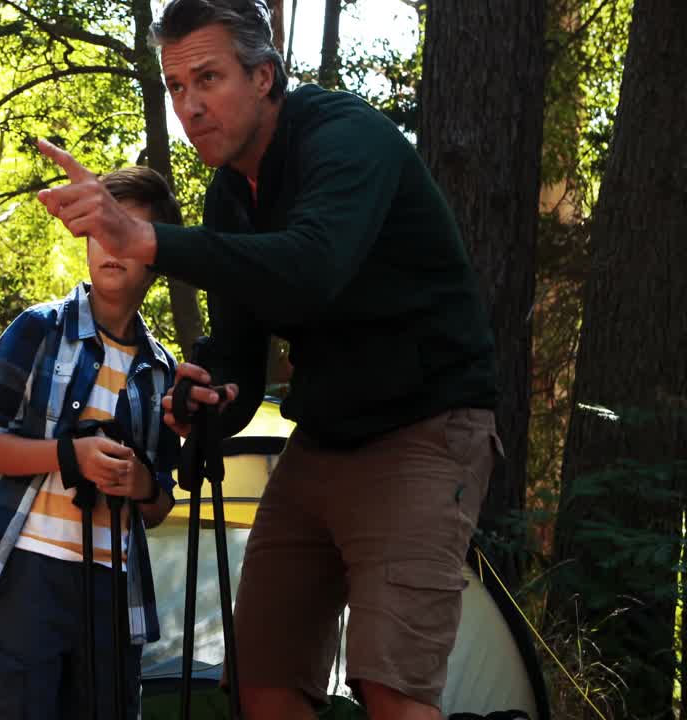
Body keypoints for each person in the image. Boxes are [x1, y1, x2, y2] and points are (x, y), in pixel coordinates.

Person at [32, 1, 502, 718]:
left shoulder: (346, 140)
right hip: (320, 443)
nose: (191, 106)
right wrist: (208, 393)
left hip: (426, 434)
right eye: (176, 86)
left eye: (209, 78)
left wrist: (147, 239)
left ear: (265, 76)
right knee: (263, 680)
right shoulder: (231, 195)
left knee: (391, 687)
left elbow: (311, 267)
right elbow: (242, 362)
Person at [0, 166, 183, 720]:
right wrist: (71, 455)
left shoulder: (161, 372)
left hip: (114, 585)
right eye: (102, 229)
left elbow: (160, 504)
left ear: (155, 256)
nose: (113, 245)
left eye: (130, 232)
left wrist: (140, 484)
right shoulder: (39, 330)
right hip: (30, 568)